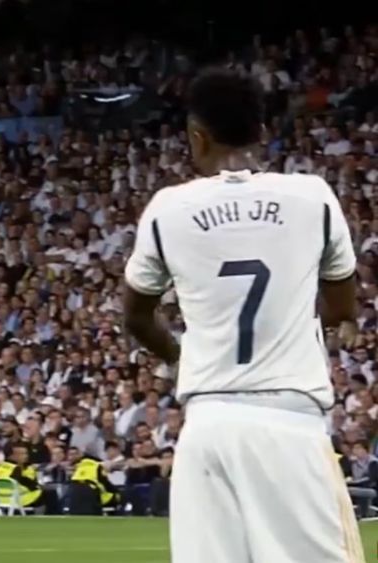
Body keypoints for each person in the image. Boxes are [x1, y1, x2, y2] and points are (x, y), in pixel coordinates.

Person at [122, 68, 364, 563]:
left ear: (196, 136)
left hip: (206, 426)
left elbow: (137, 316)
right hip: (289, 423)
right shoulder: (313, 197)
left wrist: (178, 355)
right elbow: (342, 306)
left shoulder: (167, 209)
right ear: (263, 133)